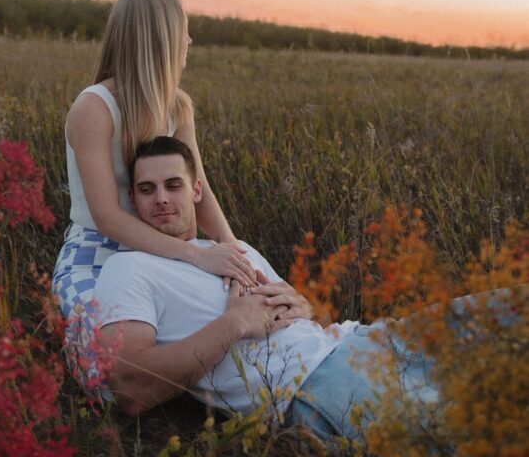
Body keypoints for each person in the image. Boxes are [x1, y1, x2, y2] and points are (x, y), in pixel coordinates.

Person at [93, 137, 520, 440]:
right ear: (133, 198)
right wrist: (233, 324)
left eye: (173, 185)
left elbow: (298, 319)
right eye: (147, 190)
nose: (162, 199)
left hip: (360, 339)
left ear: (197, 189)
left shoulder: (232, 250)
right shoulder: (128, 269)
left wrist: (305, 307)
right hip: (315, 386)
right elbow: (132, 387)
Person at [52, 0, 257, 351]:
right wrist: (197, 255)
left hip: (163, 249)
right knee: (112, 365)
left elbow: (199, 187)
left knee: (228, 336)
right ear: (160, 41)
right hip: (96, 255)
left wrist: (231, 250)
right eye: (184, 32)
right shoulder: (94, 108)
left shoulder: (176, 107)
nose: (189, 42)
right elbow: (106, 217)